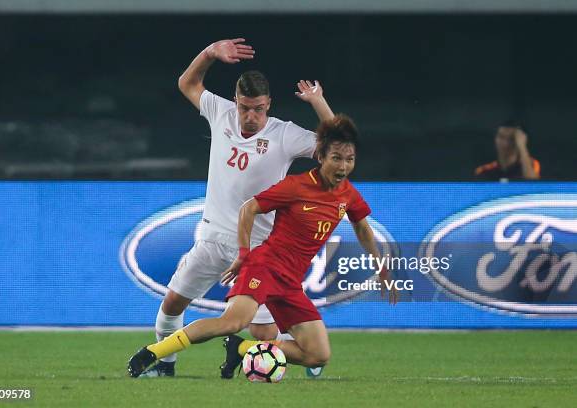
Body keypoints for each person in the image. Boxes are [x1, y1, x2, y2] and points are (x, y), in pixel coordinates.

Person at [127, 114, 398, 379]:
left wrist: (381, 268)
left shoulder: (347, 194)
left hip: (290, 282)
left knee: (317, 354)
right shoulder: (296, 186)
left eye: (349, 160)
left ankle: (241, 348)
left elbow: (362, 228)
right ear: (321, 158)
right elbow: (249, 209)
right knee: (232, 323)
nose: (343, 166)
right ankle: (153, 352)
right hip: (265, 267)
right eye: (336, 158)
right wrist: (245, 255)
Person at [140, 37, 335, 377]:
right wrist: (209, 53)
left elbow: (335, 145)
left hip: (257, 249)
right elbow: (187, 83)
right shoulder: (220, 112)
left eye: (258, 109)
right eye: (245, 107)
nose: (250, 116)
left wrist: (318, 102)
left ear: (269, 105)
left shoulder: (284, 134)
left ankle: (301, 358)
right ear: (235, 102)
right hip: (213, 239)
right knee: (172, 302)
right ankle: (165, 367)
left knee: (263, 332)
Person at [475, 121, 541, 181]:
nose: (505, 143)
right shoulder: (484, 170)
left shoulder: (531, 164)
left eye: (511, 139)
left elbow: (533, 186)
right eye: (501, 137)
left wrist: (522, 147)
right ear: (495, 139)